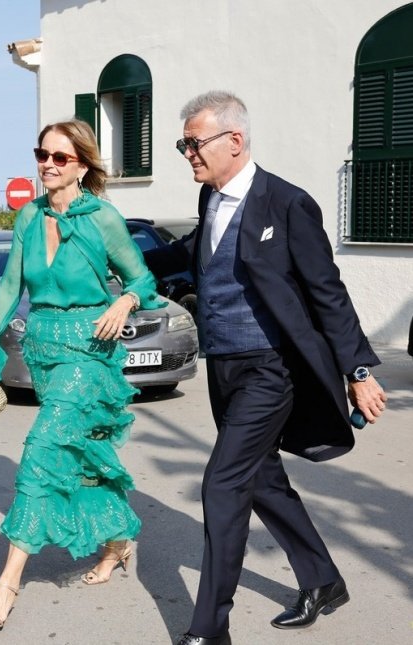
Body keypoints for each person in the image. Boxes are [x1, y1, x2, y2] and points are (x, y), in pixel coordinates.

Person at [143, 91, 388, 645]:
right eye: (183, 144)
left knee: (222, 484)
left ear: (235, 139)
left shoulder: (287, 203)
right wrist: (118, 258)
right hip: (223, 367)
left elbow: (327, 292)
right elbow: (188, 253)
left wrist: (358, 369)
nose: (188, 154)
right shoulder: (210, 201)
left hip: (271, 368)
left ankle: (210, 628)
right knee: (262, 479)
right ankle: (323, 580)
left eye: (194, 142)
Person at [0, 119, 165, 631]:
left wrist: (125, 297)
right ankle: (118, 544)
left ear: (82, 165)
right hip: (45, 349)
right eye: (42, 154)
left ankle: (6, 582)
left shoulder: (104, 218)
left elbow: (142, 276)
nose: (47, 164)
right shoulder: (28, 216)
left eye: (60, 157)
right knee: (81, 459)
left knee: (42, 452)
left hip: (90, 349)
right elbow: (10, 285)